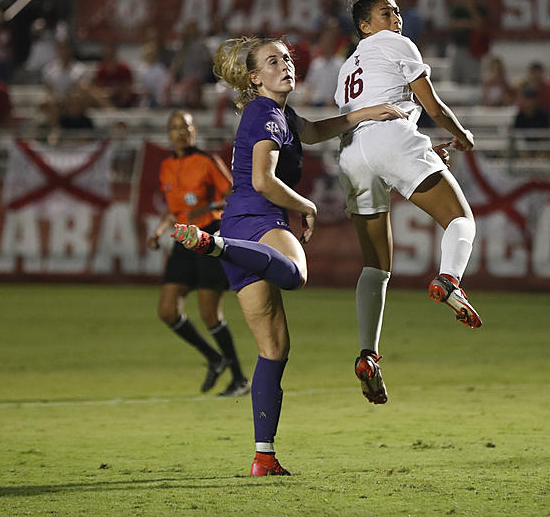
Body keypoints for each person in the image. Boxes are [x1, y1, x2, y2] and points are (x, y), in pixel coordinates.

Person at [171, 36, 407, 476]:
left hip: (239, 229)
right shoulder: (264, 113)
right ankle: (214, 244)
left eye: (287, 59)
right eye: (273, 61)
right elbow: (262, 180)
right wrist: (308, 205)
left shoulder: (281, 114)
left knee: (274, 349)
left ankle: (264, 457)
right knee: (296, 273)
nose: (286, 66)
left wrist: (367, 113)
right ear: (255, 77)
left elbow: (315, 132)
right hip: (255, 220)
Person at [335, 0, 483, 409]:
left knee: (376, 266)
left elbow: (368, 122)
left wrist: (412, 148)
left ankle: (368, 355)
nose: (397, 19)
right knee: (461, 220)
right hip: (392, 140)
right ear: (366, 23)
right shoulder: (397, 46)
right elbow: (432, 103)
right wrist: (459, 135)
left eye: (397, 13)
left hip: (354, 156)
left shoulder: (347, 66)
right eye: (387, 12)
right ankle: (448, 280)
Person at [146, 110, 249, 397]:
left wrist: (209, 206)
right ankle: (215, 358)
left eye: (186, 126)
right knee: (167, 311)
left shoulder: (206, 161)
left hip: (208, 237)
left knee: (209, 313)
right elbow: (173, 209)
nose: (180, 132)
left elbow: (233, 193)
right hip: (183, 239)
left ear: (194, 131)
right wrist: (157, 232)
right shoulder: (166, 166)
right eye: (175, 127)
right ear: (168, 133)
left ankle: (239, 379)